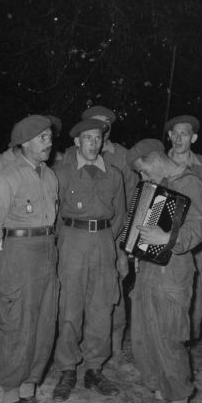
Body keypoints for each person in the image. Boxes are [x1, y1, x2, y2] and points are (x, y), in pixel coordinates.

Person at [0, 115, 59, 403]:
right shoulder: (5, 179)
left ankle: (29, 392)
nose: (49, 142)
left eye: (50, 137)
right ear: (24, 143)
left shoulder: (51, 177)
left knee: (44, 324)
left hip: (47, 254)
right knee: (17, 326)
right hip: (17, 254)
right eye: (42, 138)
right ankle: (10, 398)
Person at [127, 139, 202, 403]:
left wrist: (167, 238)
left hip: (173, 273)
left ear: (156, 160)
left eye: (144, 171)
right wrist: (137, 248)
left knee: (169, 337)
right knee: (145, 335)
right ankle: (162, 394)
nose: (143, 177)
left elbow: (197, 229)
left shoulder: (190, 183)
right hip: (149, 270)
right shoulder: (158, 187)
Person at [52, 118, 126, 401]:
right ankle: (67, 368)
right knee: (70, 306)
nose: (93, 143)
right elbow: (55, 214)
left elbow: (119, 215)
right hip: (72, 240)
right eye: (87, 138)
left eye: (97, 138)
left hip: (104, 241)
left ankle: (95, 368)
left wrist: (115, 247)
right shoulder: (62, 173)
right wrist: (62, 245)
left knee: (101, 306)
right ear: (76, 142)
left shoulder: (114, 175)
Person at [80, 105, 137, 362]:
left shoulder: (122, 156)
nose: (101, 129)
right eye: (95, 123)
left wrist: (123, 248)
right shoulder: (71, 155)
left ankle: (115, 346)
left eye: (106, 124)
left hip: (112, 235)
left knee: (113, 294)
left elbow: (131, 203)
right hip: (80, 239)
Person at [165, 114, 202, 340]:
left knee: (194, 289)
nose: (179, 139)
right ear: (169, 136)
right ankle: (167, 338)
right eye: (175, 134)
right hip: (162, 239)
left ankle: (189, 337)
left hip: (196, 240)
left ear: (194, 138)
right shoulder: (158, 162)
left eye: (185, 134)